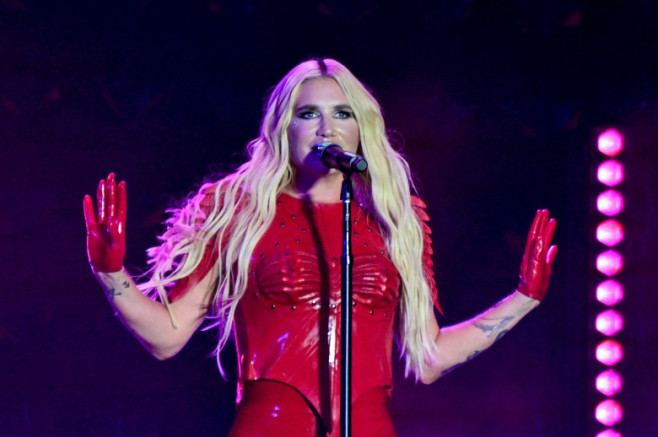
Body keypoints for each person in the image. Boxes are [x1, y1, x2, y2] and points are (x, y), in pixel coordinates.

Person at [83, 58, 557, 437]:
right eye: (308, 114)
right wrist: (111, 271)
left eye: (341, 114)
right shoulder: (237, 208)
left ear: (361, 129)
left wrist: (524, 298)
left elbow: (429, 357)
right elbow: (166, 337)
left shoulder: (396, 218)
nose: (326, 128)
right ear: (284, 128)